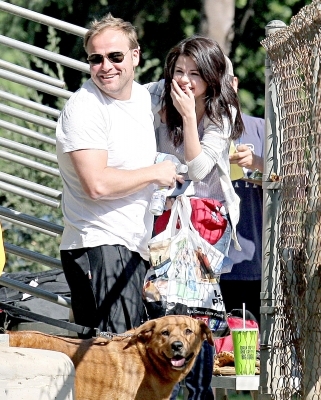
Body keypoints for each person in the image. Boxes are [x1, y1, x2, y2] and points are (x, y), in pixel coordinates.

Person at [55, 14, 180, 338]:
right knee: (113, 358)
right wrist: (156, 173)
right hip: (98, 244)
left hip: (131, 245)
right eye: (95, 59)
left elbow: (195, 84)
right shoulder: (85, 108)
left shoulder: (142, 97)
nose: (106, 66)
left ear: (135, 56)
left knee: (125, 358)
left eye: (115, 56)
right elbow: (97, 184)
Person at [146, 35, 244, 400]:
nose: (184, 80)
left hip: (206, 221)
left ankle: (199, 393)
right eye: (179, 71)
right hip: (164, 214)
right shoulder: (159, 93)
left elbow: (201, 169)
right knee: (160, 305)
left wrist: (189, 117)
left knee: (196, 313)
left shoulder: (221, 110)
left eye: (195, 74)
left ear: (211, 79)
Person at [219, 56, 264, 325]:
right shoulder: (192, 131)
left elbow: (290, 182)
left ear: (234, 84)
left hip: (253, 263)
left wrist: (256, 164)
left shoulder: (261, 129)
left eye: (223, 82)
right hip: (206, 268)